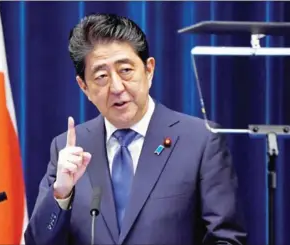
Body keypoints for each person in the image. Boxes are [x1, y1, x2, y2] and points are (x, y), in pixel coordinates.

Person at [24, 13, 247, 245]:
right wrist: (61, 194)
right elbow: (38, 242)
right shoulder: (69, 148)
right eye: (101, 76)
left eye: (126, 71)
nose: (117, 87)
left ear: (149, 70)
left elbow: (227, 238)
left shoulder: (200, 140)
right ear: (84, 87)